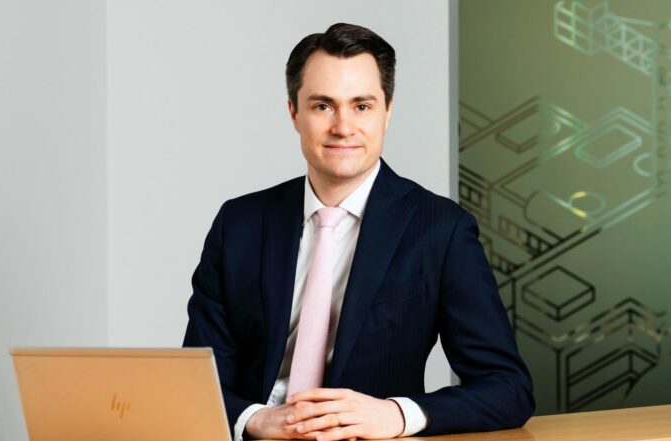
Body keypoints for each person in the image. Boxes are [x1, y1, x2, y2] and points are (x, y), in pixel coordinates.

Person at [183, 23, 533, 441]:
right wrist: (255, 420)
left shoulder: (440, 230)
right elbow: (197, 385)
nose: (343, 126)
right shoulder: (238, 224)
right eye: (323, 106)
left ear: (388, 111)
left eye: (362, 106)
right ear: (294, 113)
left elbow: (508, 387)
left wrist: (396, 414)